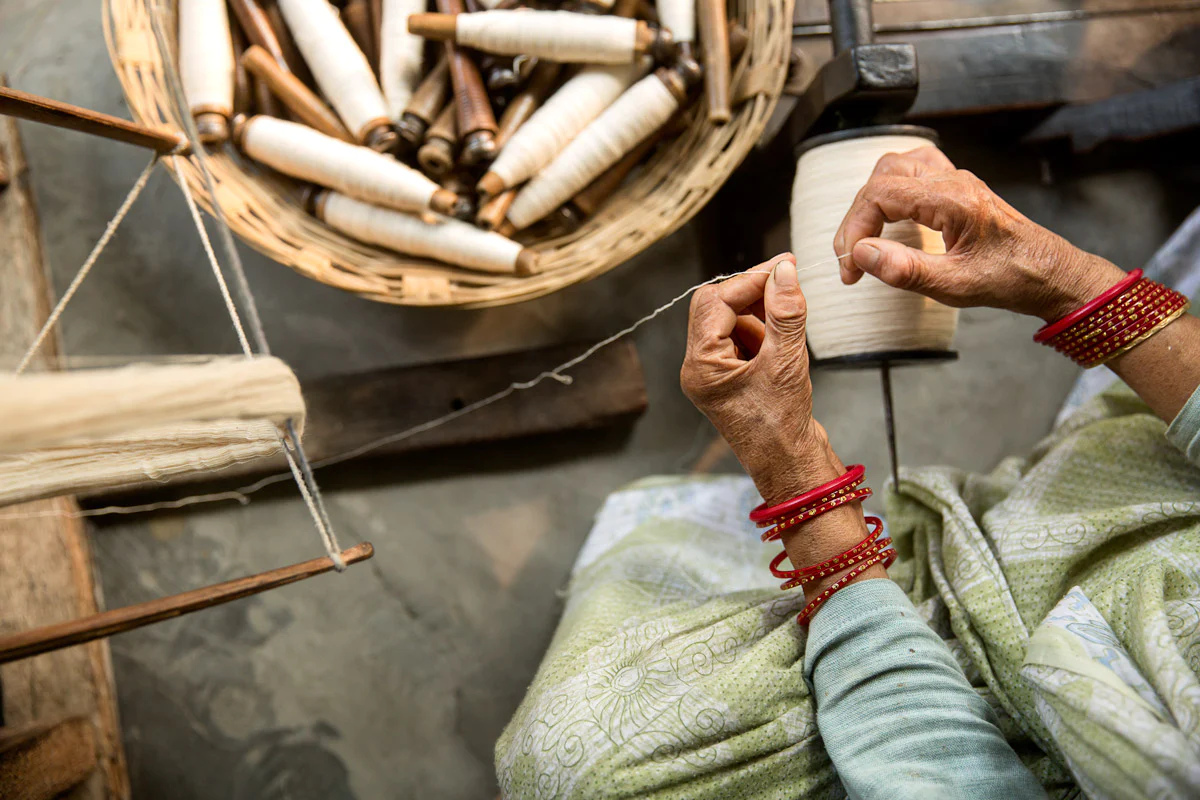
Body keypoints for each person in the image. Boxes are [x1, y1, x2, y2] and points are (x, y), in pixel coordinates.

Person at [496, 149, 1200, 799]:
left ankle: (839, 588)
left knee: (577, 768)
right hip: (1092, 500)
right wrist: (1067, 279)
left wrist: (797, 473)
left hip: (1006, 727)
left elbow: (944, 776)